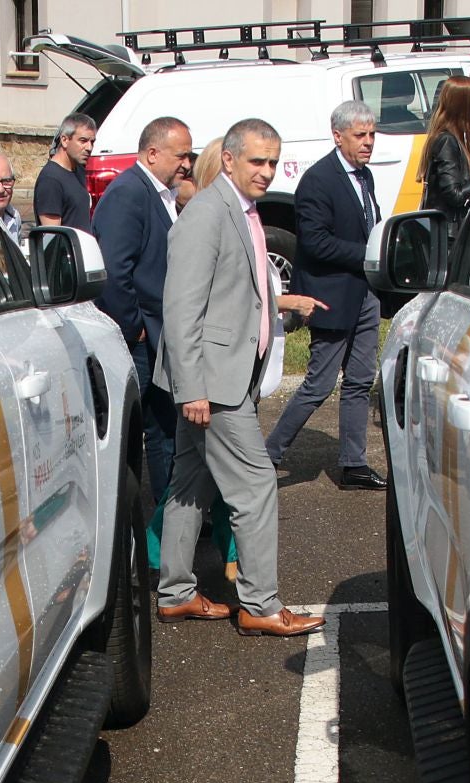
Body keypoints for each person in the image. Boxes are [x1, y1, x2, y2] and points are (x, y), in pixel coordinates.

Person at [155, 119, 326, 638]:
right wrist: (194, 389)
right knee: (255, 485)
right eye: (257, 161)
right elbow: (182, 309)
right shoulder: (208, 214)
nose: (267, 172)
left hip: (228, 377)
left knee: (189, 483)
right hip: (212, 383)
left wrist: (278, 307)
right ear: (228, 159)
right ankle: (260, 605)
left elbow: (233, 292)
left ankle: (176, 593)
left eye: (273, 162)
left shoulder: (241, 212)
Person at [91, 116, 235, 572]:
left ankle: (179, 520)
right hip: (143, 335)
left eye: (191, 155)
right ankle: (165, 528)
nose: (187, 163)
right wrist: (135, 326)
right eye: (181, 155)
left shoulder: (158, 194)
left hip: (159, 331)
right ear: (153, 153)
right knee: (158, 429)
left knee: (167, 428)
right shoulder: (130, 194)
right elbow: (115, 269)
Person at [263, 100, 387, 491]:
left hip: (364, 292)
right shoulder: (319, 180)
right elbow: (315, 243)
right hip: (332, 294)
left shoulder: (363, 177)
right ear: (338, 136)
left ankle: (354, 464)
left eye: (372, 135)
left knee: (360, 380)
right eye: (360, 136)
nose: (368, 143)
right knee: (319, 384)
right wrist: (368, 254)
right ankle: (268, 457)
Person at [418, 76, 470, 225]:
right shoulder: (447, 141)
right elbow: (454, 195)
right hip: (446, 234)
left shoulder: (455, 138)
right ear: (462, 105)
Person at [34, 112, 95, 231]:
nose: (89, 148)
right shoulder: (50, 180)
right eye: (83, 141)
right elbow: (53, 236)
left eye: (92, 142)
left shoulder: (79, 170)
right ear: (65, 140)